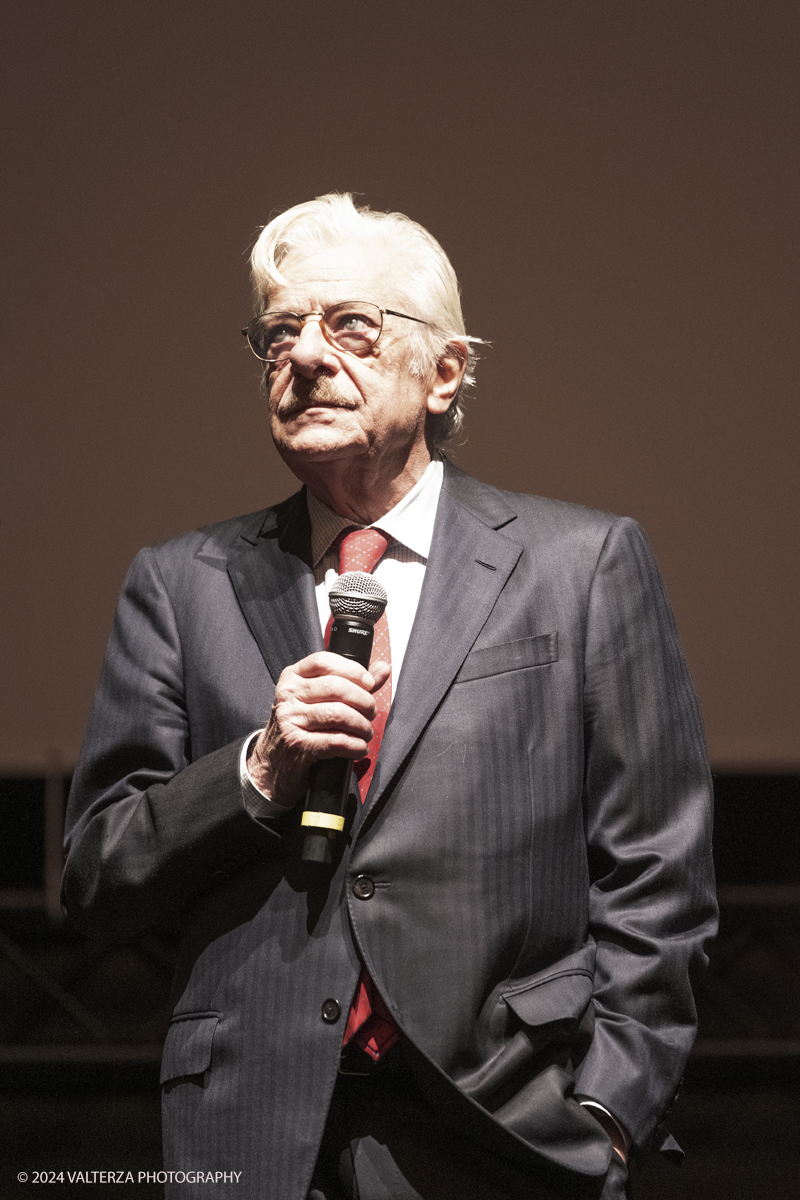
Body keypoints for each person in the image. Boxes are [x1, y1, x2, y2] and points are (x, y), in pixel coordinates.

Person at [62, 194, 717, 1200]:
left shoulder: (578, 565)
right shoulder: (180, 582)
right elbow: (97, 879)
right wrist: (256, 772)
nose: (307, 357)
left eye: (349, 326)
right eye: (278, 334)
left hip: (509, 1128)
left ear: (445, 367)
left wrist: (608, 1114)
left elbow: (656, 878)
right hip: (250, 1140)